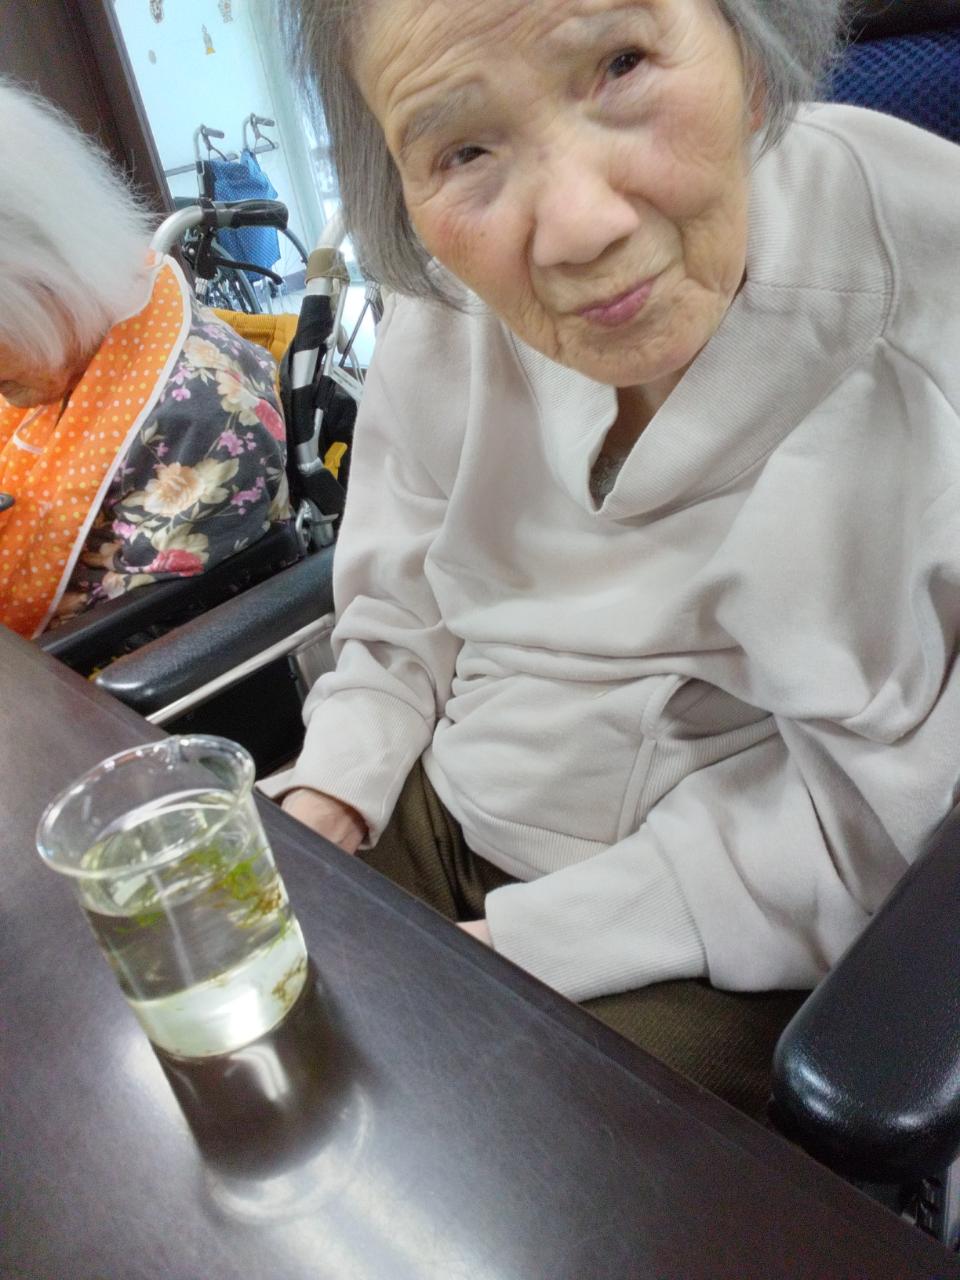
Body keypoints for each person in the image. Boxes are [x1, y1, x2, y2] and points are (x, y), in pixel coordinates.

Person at [268, 0, 960, 1115]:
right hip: (449, 788)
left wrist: (510, 950)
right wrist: (329, 800)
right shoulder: (441, 300)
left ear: (752, 50)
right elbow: (400, 610)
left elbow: (874, 823)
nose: (577, 228)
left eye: (622, 64)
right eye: (463, 150)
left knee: (470, 1140)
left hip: (730, 914)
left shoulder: (924, 290)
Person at [0, 82, 290, 639]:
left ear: (44, 285)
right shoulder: (54, 359)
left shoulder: (204, 414)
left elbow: (153, 641)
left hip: (95, 671)